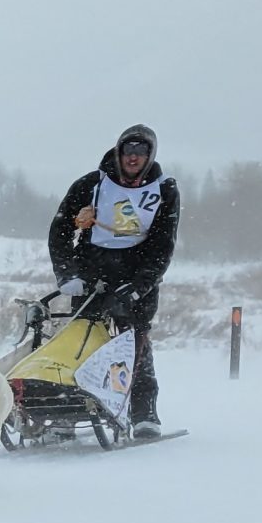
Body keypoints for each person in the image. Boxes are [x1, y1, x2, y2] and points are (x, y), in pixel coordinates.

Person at [48, 123, 179, 435]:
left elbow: (163, 245)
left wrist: (140, 286)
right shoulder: (91, 184)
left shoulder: (164, 190)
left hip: (136, 274)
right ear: (119, 152)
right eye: (128, 149)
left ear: (150, 155)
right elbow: (60, 230)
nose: (133, 157)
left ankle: (144, 413)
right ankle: (69, 412)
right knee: (81, 341)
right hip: (92, 270)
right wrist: (67, 273)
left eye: (141, 151)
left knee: (135, 344)